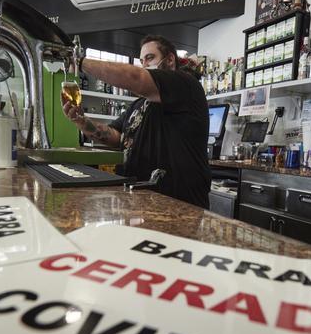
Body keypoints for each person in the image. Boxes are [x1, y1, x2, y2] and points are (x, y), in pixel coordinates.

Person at [61, 35, 211, 208]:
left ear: (170, 60)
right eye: (141, 61)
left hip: (180, 205)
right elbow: (115, 136)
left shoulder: (185, 85)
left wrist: (79, 61)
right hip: (141, 203)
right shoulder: (138, 105)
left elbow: (136, 77)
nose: (144, 65)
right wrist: (82, 122)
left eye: (150, 58)